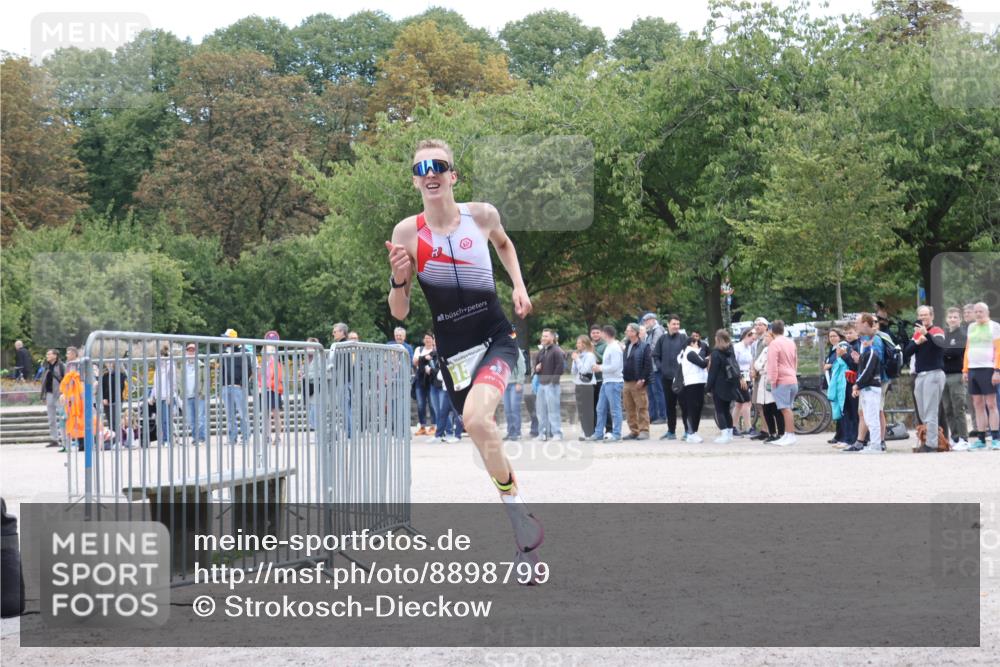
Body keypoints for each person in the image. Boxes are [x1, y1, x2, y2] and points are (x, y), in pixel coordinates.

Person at [385, 138, 541, 579]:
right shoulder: (407, 233)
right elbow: (399, 312)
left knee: (475, 419)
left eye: (439, 165)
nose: (430, 172)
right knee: (480, 429)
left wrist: (519, 285)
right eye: (422, 168)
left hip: (496, 338)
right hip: (454, 354)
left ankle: (520, 526)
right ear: (415, 180)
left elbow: (505, 245)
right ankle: (521, 519)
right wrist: (399, 278)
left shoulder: (482, 215)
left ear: (453, 175)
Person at [904, 305, 946, 453]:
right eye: (920, 315)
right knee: (922, 412)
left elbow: (940, 346)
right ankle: (927, 440)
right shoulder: (916, 334)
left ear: (932, 316)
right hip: (920, 376)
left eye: (925, 315)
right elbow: (907, 352)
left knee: (931, 410)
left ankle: (932, 444)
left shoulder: (937, 331)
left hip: (933, 373)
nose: (923, 318)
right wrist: (917, 341)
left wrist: (926, 335)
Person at [962, 302, 1000, 450]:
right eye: (976, 311)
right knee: (977, 404)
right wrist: (965, 369)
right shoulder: (971, 327)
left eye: (981, 311)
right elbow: (967, 349)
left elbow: (998, 350)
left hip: (988, 368)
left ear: (987, 312)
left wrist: (997, 370)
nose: (978, 314)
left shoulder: (994, 326)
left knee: (991, 404)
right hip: (973, 369)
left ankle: (996, 438)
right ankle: (981, 439)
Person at [846, 330, 884, 454]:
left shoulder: (872, 352)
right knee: (867, 417)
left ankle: (876, 445)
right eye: (862, 339)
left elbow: (867, 372)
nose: (864, 342)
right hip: (866, 388)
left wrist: (856, 385)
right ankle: (874, 443)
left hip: (872, 388)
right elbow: (862, 371)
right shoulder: (865, 354)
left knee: (873, 418)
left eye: (866, 339)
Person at [586, 325, 624, 441]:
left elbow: (615, 366)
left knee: (615, 409)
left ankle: (617, 434)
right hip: (607, 381)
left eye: (601, 332)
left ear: (605, 334)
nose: (600, 335)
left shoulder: (614, 348)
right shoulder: (609, 346)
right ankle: (598, 433)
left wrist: (600, 368)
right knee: (600, 408)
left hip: (614, 382)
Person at [706, 329, 744, 444]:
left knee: (720, 410)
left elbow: (712, 373)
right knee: (727, 410)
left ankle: (724, 434)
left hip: (719, 385)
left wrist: (707, 387)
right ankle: (730, 433)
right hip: (730, 384)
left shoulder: (716, 353)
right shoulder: (730, 351)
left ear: (717, 339)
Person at [940, 307, 969, 450]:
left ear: (960, 319)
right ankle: (955, 437)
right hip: (943, 375)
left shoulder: (962, 334)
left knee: (959, 408)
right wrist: (945, 352)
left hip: (957, 375)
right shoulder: (944, 334)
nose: (952, 319)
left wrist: (944, 352)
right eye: (950, 317)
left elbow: (955, 352)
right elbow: (941, 351)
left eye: (955, 317)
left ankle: (964, 438)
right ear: (946, 319)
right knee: (948, 408)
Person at [766, 320, 798, 446]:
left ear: (771, 331)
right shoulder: (791, 342)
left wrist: (773, 381)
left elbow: (773, 364)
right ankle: (787, 434)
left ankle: (790, 435)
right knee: (787, 407)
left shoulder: (774, 344)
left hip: (781, 380)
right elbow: (795, 360)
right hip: (792, 378)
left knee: (785, 409)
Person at [654, 315, 686, 440]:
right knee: (669, 405)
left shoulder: (683, 338)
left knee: (684, 406)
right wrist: (660, 367)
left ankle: (688, 431)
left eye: (678, 324)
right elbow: (656, 355)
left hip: (681, 378)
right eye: (674, 324)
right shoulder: (662, 339)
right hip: (666, 378)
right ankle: (671, 431)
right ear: (668, 325)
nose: (676, 326)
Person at [220, 330, 252, 446]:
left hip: (238, 387)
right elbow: (222, 370)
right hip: (226, 387)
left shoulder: (243, 351)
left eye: (226, 338)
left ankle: (246, 437)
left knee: (242, 413)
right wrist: (223, 385)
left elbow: (249, 369)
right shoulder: (224, 352)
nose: (223, 340)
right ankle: (232, 438)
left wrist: (241, 384)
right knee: (230, 415)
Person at [622, 323, 652, 440]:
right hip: (627, 381)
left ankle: (644, 431)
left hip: (638, 382)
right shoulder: (627, 345)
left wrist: (643, 379)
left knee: (642, 407)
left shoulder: (645, 346)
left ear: (634, 332)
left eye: (628, 330)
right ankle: (634, 431)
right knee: (629, 408)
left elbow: (648, 364)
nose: (626, 332)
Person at [533, 329, 565, 441]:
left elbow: (560, 367)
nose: (543, 338)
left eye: (546, 336)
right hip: (541, 385)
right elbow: (536, 367)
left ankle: (557, 433)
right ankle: (542, 434)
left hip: (552, 385)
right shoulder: (541, 352)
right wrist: (536, 368)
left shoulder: (557, 351)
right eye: (542, 336)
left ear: (552, 338)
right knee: (540, 411)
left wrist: (553, 381)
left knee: (553, 410)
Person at [677, 333, 708, 443]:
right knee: (693, 408)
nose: (699, 346)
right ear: (692, 343)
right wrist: (710, 358)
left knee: (698, 408)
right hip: (692, 384)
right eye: (697, 343)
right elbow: (702, 364)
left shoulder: (695, 353)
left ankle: (694, 432)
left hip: (699, 383)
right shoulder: (690, 352)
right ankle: (691, 432)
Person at [753, 329, 782, 443]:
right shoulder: (765, 350)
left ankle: (780, 433)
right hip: (763, 381)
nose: (765, 338)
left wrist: (763, 367)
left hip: (772, 380)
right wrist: (762, 367)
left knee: (775, 408)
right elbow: (757, 364)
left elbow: (771, 366)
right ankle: (772, 432)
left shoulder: (776, 349)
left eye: (767, 336)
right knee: (766, 409)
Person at [640, 313, 668, 425]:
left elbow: (653, 347)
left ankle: (662, 416)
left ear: (652, 320)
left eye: (646, 322)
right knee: (651, 393)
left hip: (656, 367)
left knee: (658, 391)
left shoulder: (658, 330)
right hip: (651, 367)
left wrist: (643, 355)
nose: (645, 324)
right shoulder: (652, 331)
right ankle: (653, 416)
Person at [151, 343, 177, 446]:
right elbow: (155, 383)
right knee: (161, 420)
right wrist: (152, 396)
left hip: (167, 396)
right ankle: (164, 439)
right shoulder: (158, 368)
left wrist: (170, 396)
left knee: (167, 420)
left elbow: (173, 383)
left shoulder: (170, 366)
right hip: (159, 397)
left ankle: (169, 440)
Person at [571, 335, 598, 439]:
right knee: (581, 410)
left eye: (579, 343)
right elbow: (574, 371)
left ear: (584, 344)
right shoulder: (579, 355)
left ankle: (589, 432)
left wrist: (577, 359)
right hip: (578, 383)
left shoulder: (590, 356)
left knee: (588, 409)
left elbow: (584, 370)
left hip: (587, 385)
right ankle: (584, 430)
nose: (577, 345)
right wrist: (574, 360)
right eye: (577, 343)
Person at [261, 331, 284, 447]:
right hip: (265, 390)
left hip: (274, 390)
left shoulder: (276, 363)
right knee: (266, 415)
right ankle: (267, 436)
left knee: (276, 414)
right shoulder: (264, 363)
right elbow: (261, 376)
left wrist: (272, 387)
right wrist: (261, 386)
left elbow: (278, 377)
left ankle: (278, 437)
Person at [412, 332, 438, 436]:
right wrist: (424, 358)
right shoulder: (419, 349)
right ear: (423, 340)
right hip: (420, 380)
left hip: (432, 380)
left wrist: (421, 359)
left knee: (432, 404)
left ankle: (434, 425)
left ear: (433, 340)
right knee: (420, 404)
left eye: (429, 338)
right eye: (426, 338)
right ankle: (422, 426)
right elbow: (414, 362)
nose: (427, 340)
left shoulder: (436, 350)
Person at [181, 343, 207, 445]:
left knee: (200, 417)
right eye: (189, 351)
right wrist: (181, 392)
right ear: (186, 352)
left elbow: (206, 380)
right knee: (191, 419)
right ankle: (195, 437)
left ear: (196, 352)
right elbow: (181, 380)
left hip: (199, 395)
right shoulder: (184, 366)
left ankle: (201, 438)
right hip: (188, 396)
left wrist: (203, 393)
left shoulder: (201, 365)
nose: (191, 352)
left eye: (193, 351)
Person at [731, 328, 755, 436]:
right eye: (752, 339)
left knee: (739, 403)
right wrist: (740, 378)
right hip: (739, 376)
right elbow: (733, 364)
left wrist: (751, 371)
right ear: (746, 336)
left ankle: (732, 426)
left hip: (747, 376)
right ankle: (749, 427)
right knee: (747, 402)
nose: (752, 342)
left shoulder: (748, 347)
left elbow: (750, 361)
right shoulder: (737, 347)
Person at [39, 349, 66, 447]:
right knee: (51, 418)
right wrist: (43, 395)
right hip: (49, 394)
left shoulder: (62, 366)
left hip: (59, 394)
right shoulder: (46, 366)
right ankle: (54, 439)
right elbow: (43, 381)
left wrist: (65, 393)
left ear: (55, 356)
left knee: (62, 417)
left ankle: (64, 440)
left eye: (49, 354)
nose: (47, 356)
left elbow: (65, 379)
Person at [503, 346, 528, 441]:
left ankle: (517, 432)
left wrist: (519, 382)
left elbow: (522, 365)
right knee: (507, 410)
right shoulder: (500, 351)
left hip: (515, 384)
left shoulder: (515, 349)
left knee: (514, 409)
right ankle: (510, 432)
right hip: (505, 384)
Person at [100, 360, 127, 441]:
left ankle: (118, 439)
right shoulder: (105, 375)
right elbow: (102, 388)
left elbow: (119, 389)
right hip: (106, 402)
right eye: (107, 363)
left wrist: (109, 399)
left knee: (115, 421)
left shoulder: (121, 375)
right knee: (110, 421)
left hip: (116, 400)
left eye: (111, 362)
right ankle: (113, 439)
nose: (109, 364)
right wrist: (103, 398)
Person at [301, 337, 324, 431]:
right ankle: (318, 430)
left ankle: (320, 430)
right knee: (311, 409)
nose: (306, 348)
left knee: (315, 410)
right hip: (309, 387)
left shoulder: (319, 357)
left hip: (316, 386)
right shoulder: (307, 358)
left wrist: (305, 375)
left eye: (308, 346)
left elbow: (320, 372)